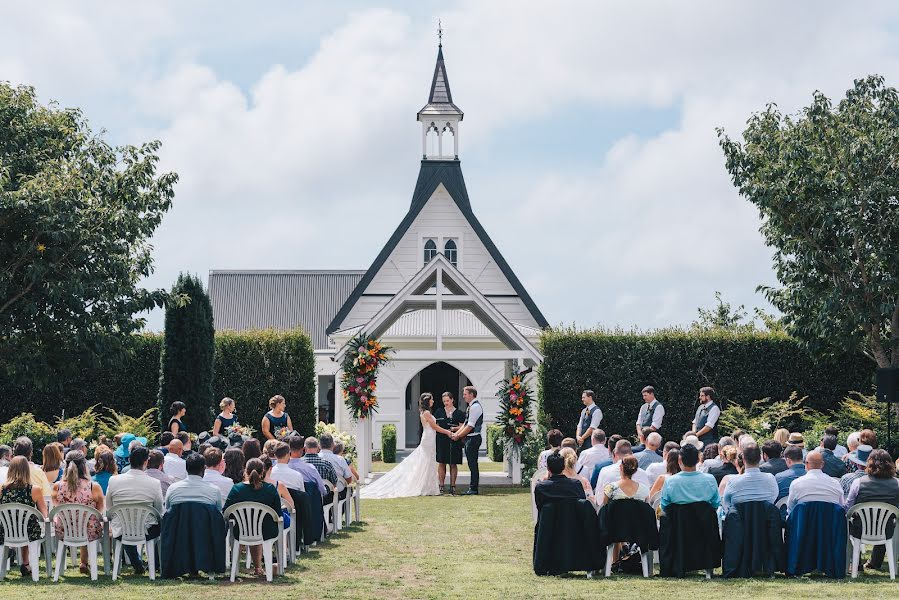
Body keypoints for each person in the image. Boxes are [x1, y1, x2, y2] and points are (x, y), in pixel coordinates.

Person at [362, 393, 453, 499]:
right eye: (431, 399)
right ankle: (426, 486)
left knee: (429, 461)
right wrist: (447, 432)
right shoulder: (427, 413)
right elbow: (434, 427)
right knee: (427, 461)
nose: (433, 401)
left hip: (429, 437)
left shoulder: (424, 412)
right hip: (428, 437)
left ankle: (428, 486)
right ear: (428, 401)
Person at [105, 446, 163, 575]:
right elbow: (159, 511)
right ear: (145, 462)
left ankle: (138, 564)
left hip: (121, 529)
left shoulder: (113, 480)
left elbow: (109, 507)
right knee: (159, 524)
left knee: (125, 525)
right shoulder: (154, 483)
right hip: (146, 530)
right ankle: (155, 564)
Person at [224, 458, 285, 577]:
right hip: (267, 532)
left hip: (241, 532)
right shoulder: (270, 489)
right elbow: (278, 514)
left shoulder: (237, 489)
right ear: (263, 472)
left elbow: (227, 512)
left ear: (245, 471)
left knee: (251, 527)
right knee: (259, 527)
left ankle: (256, 568)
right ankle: (260, 568)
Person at [846, 449, 899, 572]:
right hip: (887, 529)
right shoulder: (897, 484)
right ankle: (875, 562)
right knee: (886, 521)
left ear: (869, 464)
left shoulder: (858, 483)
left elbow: (848, 506)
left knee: (848, 522)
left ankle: (856, 562)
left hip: (860, 529)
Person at [52, 451, 104, 574]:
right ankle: (84, 563)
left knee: (79, 522)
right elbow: (100, 510)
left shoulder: (57, 486)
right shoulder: (93, 486)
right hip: (89, 531)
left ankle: (83, 562)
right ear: (83, 465)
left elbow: (56, 506)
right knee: (88, 522)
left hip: (65, 529)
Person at [0, 456, 49, 577]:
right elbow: (44, 513)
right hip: (28, 532)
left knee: (20, 525)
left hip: (6, 532)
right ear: (27, 470)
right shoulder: (34, 490)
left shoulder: (1, 489)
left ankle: (24, 563)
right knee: (27, 524)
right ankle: (26, 563)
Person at [659, 444, 720, 512]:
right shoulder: (710, 479)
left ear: (679, 460)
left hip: (678, 522)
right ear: (698, 460)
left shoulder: (670, 481)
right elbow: (716, 504)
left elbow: (664, 506)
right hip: (705, 521)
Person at [719, 442, 778, 512]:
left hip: (739, 521)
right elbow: (774, 498)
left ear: (743, 459)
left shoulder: (733, 482)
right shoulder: (770, 479)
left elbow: (726, 505)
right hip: (766, 522)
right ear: (760, 458)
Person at [786, 451, 845, 515]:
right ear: (822, 464)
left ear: (806, 464)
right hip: (830, 524)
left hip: (804, 524)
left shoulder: (796, 484)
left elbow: (790, 510)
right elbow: (841, 507)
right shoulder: (835, 484)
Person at [449, 386, 483, 496]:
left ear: (472, 394)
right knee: (471, 464)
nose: (463, 396)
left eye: (465, 394)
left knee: (473, 464)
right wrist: (457, 432)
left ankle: (473, 489)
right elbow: (465, 424)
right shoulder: (471, 406)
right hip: (470, 438)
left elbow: (470, 426)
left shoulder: (475, 407)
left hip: (473, 438)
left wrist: (457, 436)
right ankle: (472, 488)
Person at [434, 391, 465, 495]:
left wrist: (454, 428)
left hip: (454, 440)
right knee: (441, 463)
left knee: (453, 463)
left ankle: (453, 486)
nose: (446, 403)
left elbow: (463, 426)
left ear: (452, 400)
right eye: (444, 401)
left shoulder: (459, 413)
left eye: (447, 400)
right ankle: (441, 485)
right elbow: (436, 426)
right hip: (441, 440)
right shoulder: (438, 412)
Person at [302, 437, 339, 503]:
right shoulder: (326, 464)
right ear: (318, 447)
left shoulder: (299, 464)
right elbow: (334, 483)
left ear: (305, 448)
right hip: (323, 500)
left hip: (304, 500)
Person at [320, 434, 354, 499]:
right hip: (339, 494)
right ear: (333, 444)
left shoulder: (315, 458)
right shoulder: (340, 459)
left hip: (319, 495)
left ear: (319, 445)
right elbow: (349, 479)